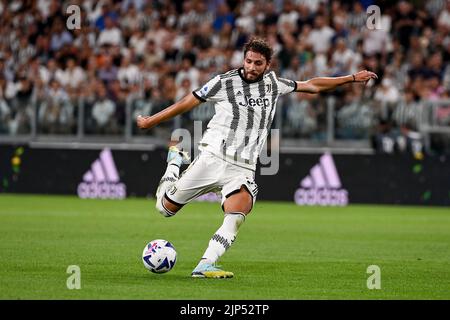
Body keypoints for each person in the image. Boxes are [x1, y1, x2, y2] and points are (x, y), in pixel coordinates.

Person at [136, 38, 377, 278]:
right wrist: (151, 120)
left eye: (258, 63)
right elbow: (186, 102)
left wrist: (352, 78)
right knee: (165, 209)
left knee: (237, 215)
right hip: (213, 158)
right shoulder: (223, 82)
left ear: (268, 64)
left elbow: (313, 85)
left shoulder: (274, 84)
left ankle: (205, 265)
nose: (251, 67)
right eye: (248, 61)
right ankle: (174, 162)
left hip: (242, 168)